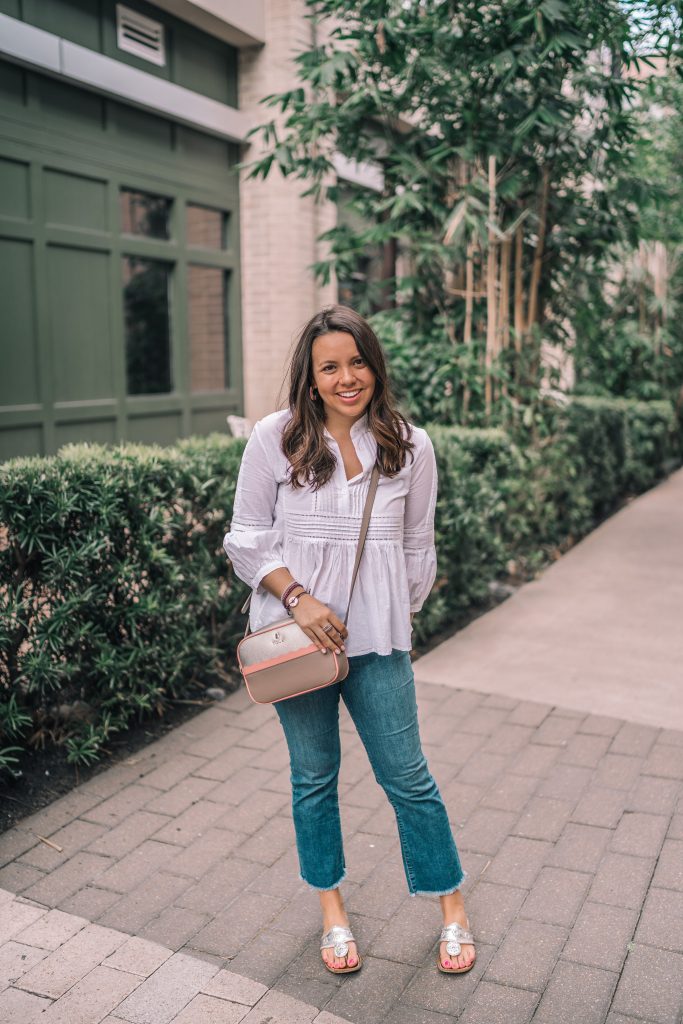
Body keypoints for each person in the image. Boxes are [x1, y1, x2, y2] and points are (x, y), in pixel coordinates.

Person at [223, 305, 475, 976]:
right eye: (328, 366)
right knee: (313, 779)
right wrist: (300, 600)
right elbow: (246, 536)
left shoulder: (410, 446)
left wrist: (388, 615)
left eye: (356, 361)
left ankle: (451, 908)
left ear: (374, 365)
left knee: (408, 779)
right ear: (309, 378)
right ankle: (332, 914)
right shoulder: (273, 439)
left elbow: (417, 548)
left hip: (377, 646)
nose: (345, 378)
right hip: (295, 643)